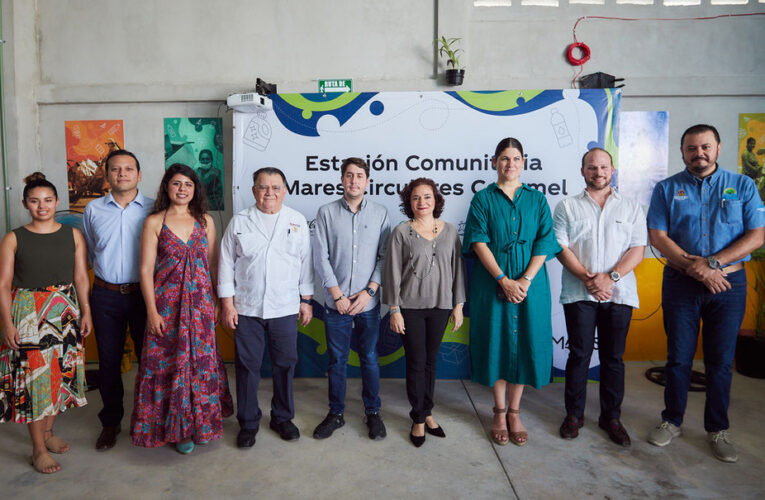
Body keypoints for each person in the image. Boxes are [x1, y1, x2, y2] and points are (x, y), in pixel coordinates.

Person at [646, 124, 765, 463]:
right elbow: (658, 235)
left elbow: (757, 235)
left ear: (717, 148)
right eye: (691, 148)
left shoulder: (742, 186)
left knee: (720, 362)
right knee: (678, 358)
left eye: (705, 147)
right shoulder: (667, 188)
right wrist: (693, 267)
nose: (698, 153)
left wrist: (712, 264)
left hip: (729, 286)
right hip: (681, 285)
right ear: (682, 152)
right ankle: (671, 421)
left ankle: (718, 428)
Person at [463, 137, 561, 447]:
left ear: (523, 162)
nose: (510, 164)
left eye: (516, 158)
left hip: (531, 286)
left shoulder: (537, 199)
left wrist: (526, 281)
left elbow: (545, 241)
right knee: (498, 343)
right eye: (504, 158)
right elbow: (478, 241)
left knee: (525, 343)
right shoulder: (482, 199)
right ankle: (498, 411)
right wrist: (503, 280)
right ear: (494, 162)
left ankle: (515, 412)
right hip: (492, 284)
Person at [130, 164, 233, 454]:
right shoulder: (154, 222)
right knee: (168, 366)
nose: (182, 189)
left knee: (200, 364)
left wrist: (215, 299)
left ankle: (201, 424)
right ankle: (178, 431)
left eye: (188, 184)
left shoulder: (205, 221)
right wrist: (151, 311)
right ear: (166, 187)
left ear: (195, 189)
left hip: (199, 304)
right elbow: (146, 269)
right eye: (176, 183)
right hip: (166, 306)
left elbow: (213, 264)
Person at [553, 148, 647, 446]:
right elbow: (560, 247)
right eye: (592, 168)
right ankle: (574, 415)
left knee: (613, 358)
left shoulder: (631, 207)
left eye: (603, 167)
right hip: (579, 294)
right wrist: (588, 279)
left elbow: (637, 249)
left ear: (613, 169)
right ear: (583, 171)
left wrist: (611, 278)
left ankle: (611, 417)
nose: (598, 172)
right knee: (579, 355)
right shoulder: (567, 206)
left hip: (618, 295)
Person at [0, 173, 92, 473]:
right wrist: (7, 324)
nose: (42, 206)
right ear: (25, 204)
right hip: (28, 313)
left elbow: (80, 277)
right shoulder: (14, 237)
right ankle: (37, 449)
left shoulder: (73, 235)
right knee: (35, 380)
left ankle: (49, 434)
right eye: (35, 201)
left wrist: (86, 311)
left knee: (60, 376)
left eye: (48, 200)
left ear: (56, 203)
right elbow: (3, 285)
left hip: (65, 310)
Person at [218, 167, 314, 448]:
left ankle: (282, 417)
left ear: (285, 190)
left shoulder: (296, 221)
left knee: (285, 364)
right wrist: (227, 304)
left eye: (275, 187)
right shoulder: (240, 222)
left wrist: (306, 301)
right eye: (263, 187)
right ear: (253, 191)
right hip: (247, 308)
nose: (269, 193)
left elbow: (305, 264)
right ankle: (248, 423)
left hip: (284, 308)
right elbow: (225, 263)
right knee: (247, 367)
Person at [382, 177, 465, 447]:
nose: (422, 202)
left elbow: (458, 270)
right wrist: (394, 309)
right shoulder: (401, 232)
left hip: (441, 307)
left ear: (436, 200)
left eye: (427, 197)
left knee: (431, 362)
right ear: (409, 202)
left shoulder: (450, 231)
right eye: (416, 197)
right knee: (416, 362)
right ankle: (418, 418)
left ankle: (427, 411)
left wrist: (459, 304)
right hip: (410, 308)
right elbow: (392, 272)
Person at [312, 158, 391, 440]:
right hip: (337, 304)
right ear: (341, 180)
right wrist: (336, 295)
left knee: (370, 358)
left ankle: (373, 412)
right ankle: (336, 414)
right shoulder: (326, 212)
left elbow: (384, 257)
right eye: (349, 176)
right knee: (337, 361)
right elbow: (320, 257)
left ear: (367, 181)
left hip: (367, 304)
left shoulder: (381, 214)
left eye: (359, 176)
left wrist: (369, 291)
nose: (354, 181)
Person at [82, 149, 153, 451]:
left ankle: (150, 419)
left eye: (128, 169)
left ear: (139, 174)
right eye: (115, 169)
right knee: (109, 362)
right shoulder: (93, 210)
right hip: (105, 295)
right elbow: (87, 252)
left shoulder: (154, 208)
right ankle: (111, 422)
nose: (122, 174)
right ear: (107, 174)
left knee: (150, 360)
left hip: (143, 295)